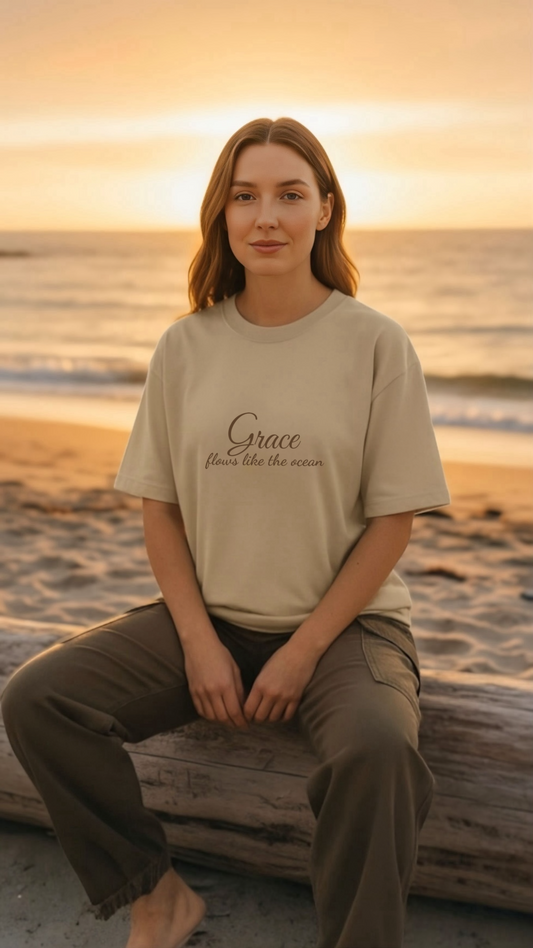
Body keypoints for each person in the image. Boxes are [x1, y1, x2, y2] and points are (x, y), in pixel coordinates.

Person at [1, 116, 451, 948]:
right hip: (207, 619)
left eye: (288, 194)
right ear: (221, 213)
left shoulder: (376, 343)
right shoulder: (186, 345)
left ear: (324, 210)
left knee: (378, 751)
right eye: (244, 196)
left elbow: (395, 520)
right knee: (37, 698)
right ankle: (155, 894)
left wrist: (303, 649)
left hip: (347, 628)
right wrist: (198, 639)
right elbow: (160, 507)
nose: (265, 216)